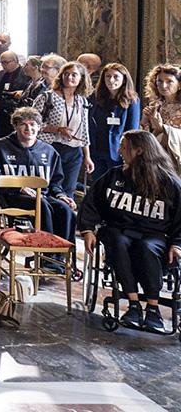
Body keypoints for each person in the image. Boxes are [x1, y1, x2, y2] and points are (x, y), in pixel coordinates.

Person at [79, 131, 181, 334]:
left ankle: (153, 309)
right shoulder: (114, 176)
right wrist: (87, 229)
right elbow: (91, 203)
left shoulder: (168, 183)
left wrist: (177, 244)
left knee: (147, 247)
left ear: (139, 151)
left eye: (124, 147)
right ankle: (133, 304)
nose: (119, 151)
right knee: (117, 241)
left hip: (154, 235)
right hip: (118, 229)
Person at [0, 107, 77, 249]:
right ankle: (45, 256)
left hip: (42, 196)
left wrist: (61, 195)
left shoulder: (49, 151)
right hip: (11, 196)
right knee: (42, 206)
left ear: (39, 127)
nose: (28, 128)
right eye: (23, 124)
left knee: (65, 210)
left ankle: (63, 259)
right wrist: (20, 187)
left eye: (33, 124)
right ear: (16, 126)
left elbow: (55, 182)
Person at [33, 60, 93, 197]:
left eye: (74, 75)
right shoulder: (47, 97)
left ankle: (66, 217)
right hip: (51, 147)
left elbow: (84, 130)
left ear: (81, 78)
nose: (69, 77)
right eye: (66, 74)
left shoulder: (82, 101)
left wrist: (87, 156)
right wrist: (58, 129)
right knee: (48, 189)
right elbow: (32, 124)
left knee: (68, 191)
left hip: (74, 151)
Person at [89, 63, 141, 180]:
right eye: (108, 76)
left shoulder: (132, 100)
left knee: (116, 184)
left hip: (118, 152)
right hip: (96, 150)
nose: (111, 80)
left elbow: (132, 129)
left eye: (116, 77)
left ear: (123, 79)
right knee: (99, 184)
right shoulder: (95, 97)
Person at [143, 64, 181, 163]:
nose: (163, 86)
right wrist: (145, 122)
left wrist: (162, 128)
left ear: (179, 84)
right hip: (156, 157)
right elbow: (145, 136)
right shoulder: (155, 106)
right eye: (160, 81)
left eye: (169, 81)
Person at [0, 51, 29, 136]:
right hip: (0, 110)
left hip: (15, 109)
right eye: (2, 62)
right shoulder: (0, 74)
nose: (4, 65)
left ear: (15, 61)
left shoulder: (25, 74)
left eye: (6, 62)